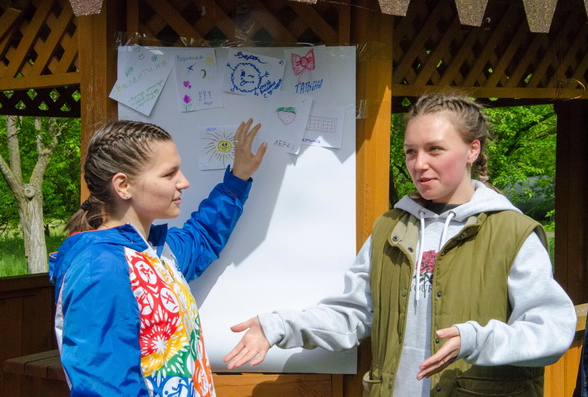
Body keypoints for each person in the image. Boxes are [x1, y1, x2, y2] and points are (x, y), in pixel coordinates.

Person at [223, 92, 577, 396]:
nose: (419, 164)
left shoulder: (513, 231)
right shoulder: (390, 228)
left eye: (435, 150)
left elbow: (551, 329)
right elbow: (354, 314)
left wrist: (475, 339)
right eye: (410, 152)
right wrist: (279, 326)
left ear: (472, 150)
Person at [49, 119, 266, 396]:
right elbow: (105, 386)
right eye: (169, 174)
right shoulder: (100, 267)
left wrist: (238, 178)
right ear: (123, 185)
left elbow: (203, 235)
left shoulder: (157, 252)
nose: (184, 182)